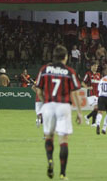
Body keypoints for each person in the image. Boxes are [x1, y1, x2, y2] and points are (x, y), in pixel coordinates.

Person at [34, 46, 82, 180]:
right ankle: (62, 173)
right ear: (65, 57)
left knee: (49, 136)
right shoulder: (69, 71)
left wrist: (46, 102)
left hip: (48, 106)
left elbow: (38, 91)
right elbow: (75, 93)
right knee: (63, 140)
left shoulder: (44, 70)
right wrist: (79, 112)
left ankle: (50, 160)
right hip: (63, 106)